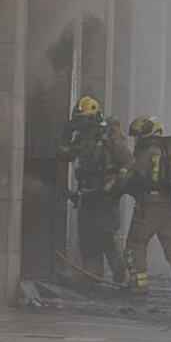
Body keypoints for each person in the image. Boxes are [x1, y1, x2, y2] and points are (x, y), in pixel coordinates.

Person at [56, 97, 134, 283]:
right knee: (88, 239)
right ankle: (93, 279)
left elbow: (128, 163)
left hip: (106, 198)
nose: (81, 125)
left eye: (84, 120)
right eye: (79, 120)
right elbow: (65, 153)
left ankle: (119, 272)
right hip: (87, 196)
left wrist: (114, 184)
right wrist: (65, 134)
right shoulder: (82, 139)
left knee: (105, 237)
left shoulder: (109, 139)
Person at [125, 115, 171, 300]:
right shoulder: (167, 150)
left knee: (136, 245)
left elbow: (138, 177)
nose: (136, 140)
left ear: (147, 132)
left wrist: (120, 184)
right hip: (169, 206)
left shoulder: (147, 151)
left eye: (138, 135)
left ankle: (138, 288)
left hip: (149, 206)